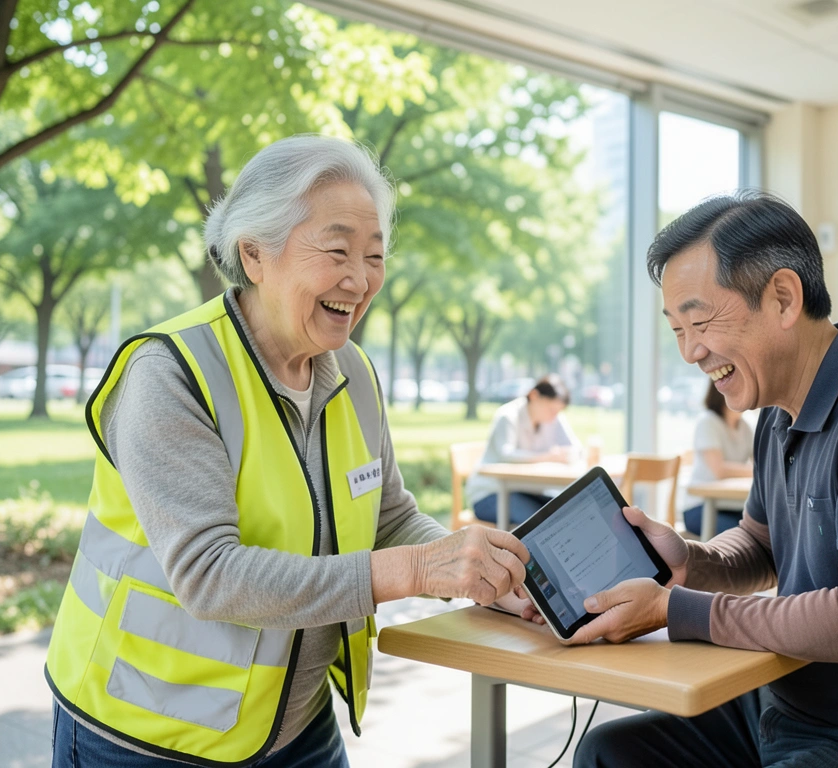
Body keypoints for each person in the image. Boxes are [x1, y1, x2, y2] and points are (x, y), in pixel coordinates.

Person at [45, 135, 531, 768]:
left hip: (295, 726)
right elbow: (209, 574)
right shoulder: (169, 373)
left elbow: (388, 517)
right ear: (254, 254)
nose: (360, 279)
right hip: (146, 734)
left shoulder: (351, 371)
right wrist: (415, 571)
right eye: (336, 251)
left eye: (375, 255)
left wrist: (479, 571)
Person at [567, 192, 838, 768]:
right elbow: (759, 546)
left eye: (699, 322)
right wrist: (689, 560)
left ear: (782, 297)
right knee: (609, 754)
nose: (691, 352)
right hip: (791, 703)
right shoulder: (776, 414)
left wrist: (676, 610)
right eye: (677, 330)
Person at [466, 376, 580, 526]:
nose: (554, 416)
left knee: (569, 510)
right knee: (539, 523)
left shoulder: (553, 419)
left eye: (558, 411)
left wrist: (565, 454)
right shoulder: (508, 416)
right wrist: (548, 457)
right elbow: (507, 455)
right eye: (551, 409)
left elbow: (575, 448)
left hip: (527, 490)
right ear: (534, 396)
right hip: (491, 493)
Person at [680, 382, 753, 538]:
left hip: (729, 504)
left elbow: (761, 463)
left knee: (765, 528)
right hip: (699, 506)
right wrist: (756, 471)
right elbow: (718, 470)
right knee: (743, 535)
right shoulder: (707, 422)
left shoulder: (745, 427)